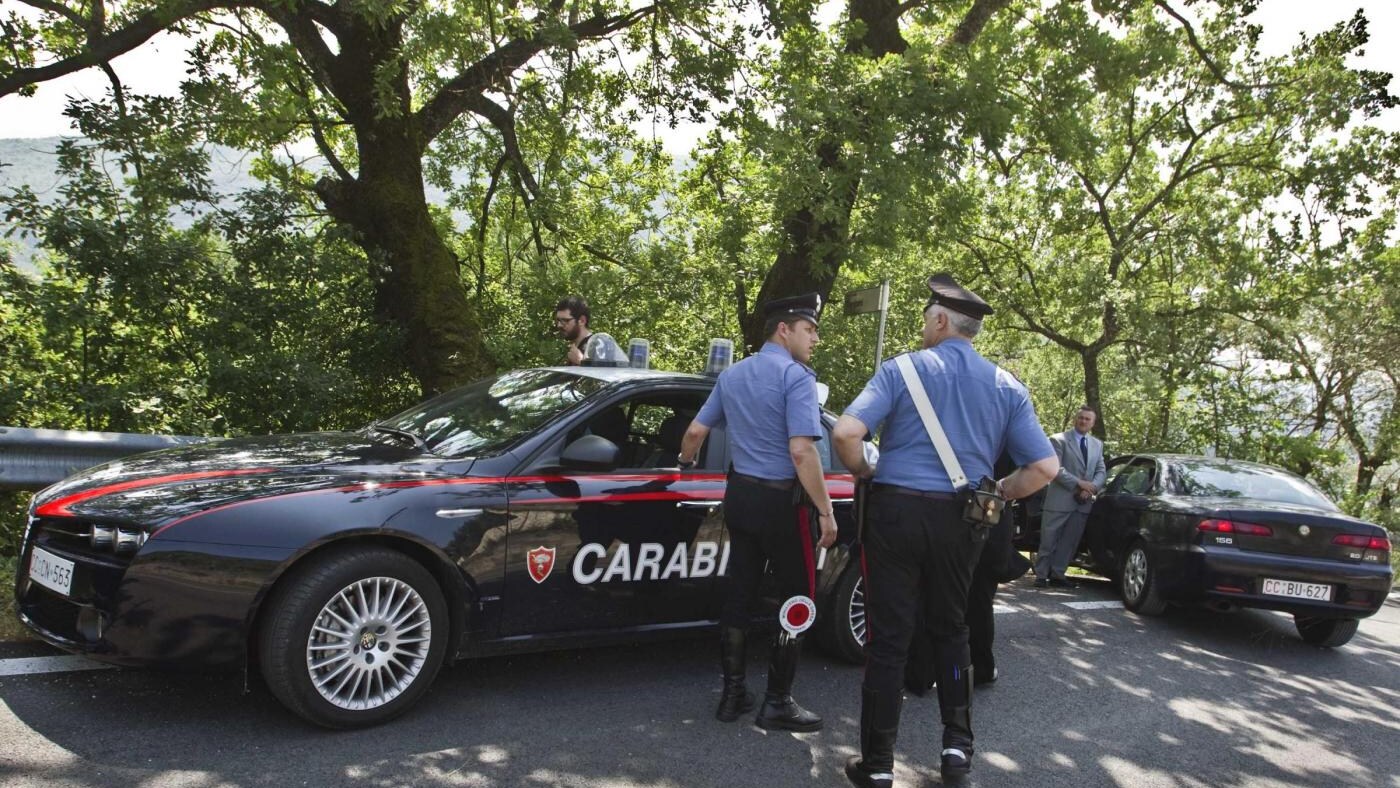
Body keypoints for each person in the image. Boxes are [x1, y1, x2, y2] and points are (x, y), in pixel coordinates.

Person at [833, 273, 1058, 786]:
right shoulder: (1008, 386)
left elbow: (847, 433)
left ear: (940, 320)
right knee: (952, 633)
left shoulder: (901, 371)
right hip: (964, 521)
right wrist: (998, 491)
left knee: (889, 640)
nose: (922, 328)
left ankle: (877, 765)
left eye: (925, 320)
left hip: (896, 514)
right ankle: (957, 753)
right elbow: (1044, 468)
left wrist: (865, 470)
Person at [677, 292, 838, 731]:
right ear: (784, 329)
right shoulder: (797, 377)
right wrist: (825, 511)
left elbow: (694, 432)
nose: (815, 339)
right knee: (798, 597)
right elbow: (802, 451)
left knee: (741, 592)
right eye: (809, 329)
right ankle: (777, 702)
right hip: (782, 503)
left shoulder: (733, 375)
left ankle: (732, 695)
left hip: (741, 496)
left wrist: (686, 464)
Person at [1035, 406, 1106, 589]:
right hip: (1059, 500)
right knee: (1049, 539)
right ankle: (1041, 575)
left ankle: (1059, 574)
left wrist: (1091, 488)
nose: (1083, 421)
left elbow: (1100, 471)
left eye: (1087, 419)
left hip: (1082, 502)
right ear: (1076, 419)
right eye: (1081, 418)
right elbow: (1055, 469)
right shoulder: (1059, 440)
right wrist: (1079, 484)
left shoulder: (1097, 444)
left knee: (1069, 541)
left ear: (1093, 423)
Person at [554, 295, 627, 366]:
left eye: (565, 321)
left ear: (582, 321)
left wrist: (581, 361)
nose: (559, 325)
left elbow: (608, 375)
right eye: (558, 320)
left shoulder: (599, 343)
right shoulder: (574, 350)